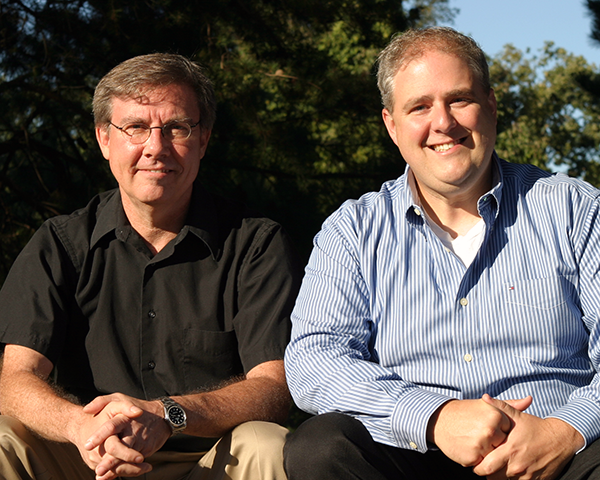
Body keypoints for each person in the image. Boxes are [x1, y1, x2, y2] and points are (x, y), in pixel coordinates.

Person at [283, 27, 600, 480]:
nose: (443, 123)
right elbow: (313, 360)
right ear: (392, 125)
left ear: (491, 105)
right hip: (417, 457)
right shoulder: (353, 231)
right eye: (420, 107)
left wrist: (567, 429)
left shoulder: (574, 209)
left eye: (459, 100)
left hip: (557, 458)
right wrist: (435, 416)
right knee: (319, 447)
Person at [0, 53, 301, 480]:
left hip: (208, 460)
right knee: (2, 438)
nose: (155, 147)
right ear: (104, 139)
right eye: (136, 127)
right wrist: (81, 426)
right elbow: (15, 380)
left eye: (177, 128)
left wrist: (167, 414)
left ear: (203, 140)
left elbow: (273, 387)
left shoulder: (256, 245)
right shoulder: (59, 243)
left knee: (267, 444)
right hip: (83, 455)